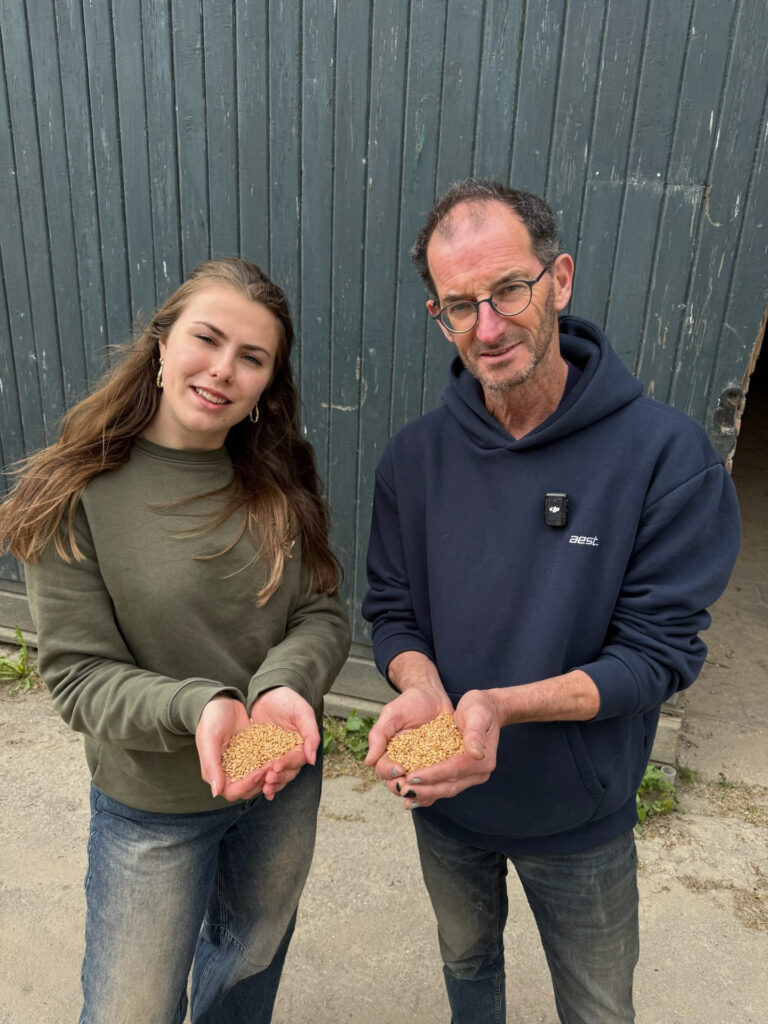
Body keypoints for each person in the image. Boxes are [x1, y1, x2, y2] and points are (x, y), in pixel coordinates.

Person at [362, 179, 741, 1023]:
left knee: (599, 1005)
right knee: (467, 968)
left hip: (582, 814)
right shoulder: (415, 460)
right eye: (460, 306)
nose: (488, 328)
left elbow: (657, 657)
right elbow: (392, 612)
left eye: (509, 289)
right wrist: (423, 687)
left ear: (559, 280)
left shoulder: (664, 456)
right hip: (445, 798)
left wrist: (498, 705)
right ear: (440, 317)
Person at [0, 258, 351, 1024]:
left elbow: (319, 613)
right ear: (160, 344)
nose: (224, 370)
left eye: (252, 358)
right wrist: (202, 708)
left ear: (268, 382)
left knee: (247, 964)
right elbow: (78, 677)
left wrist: (284, 687)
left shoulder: (277, 479)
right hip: (151, 804)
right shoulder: (75, 492)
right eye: (208, 339)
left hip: (277, 781)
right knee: (132, 1007)